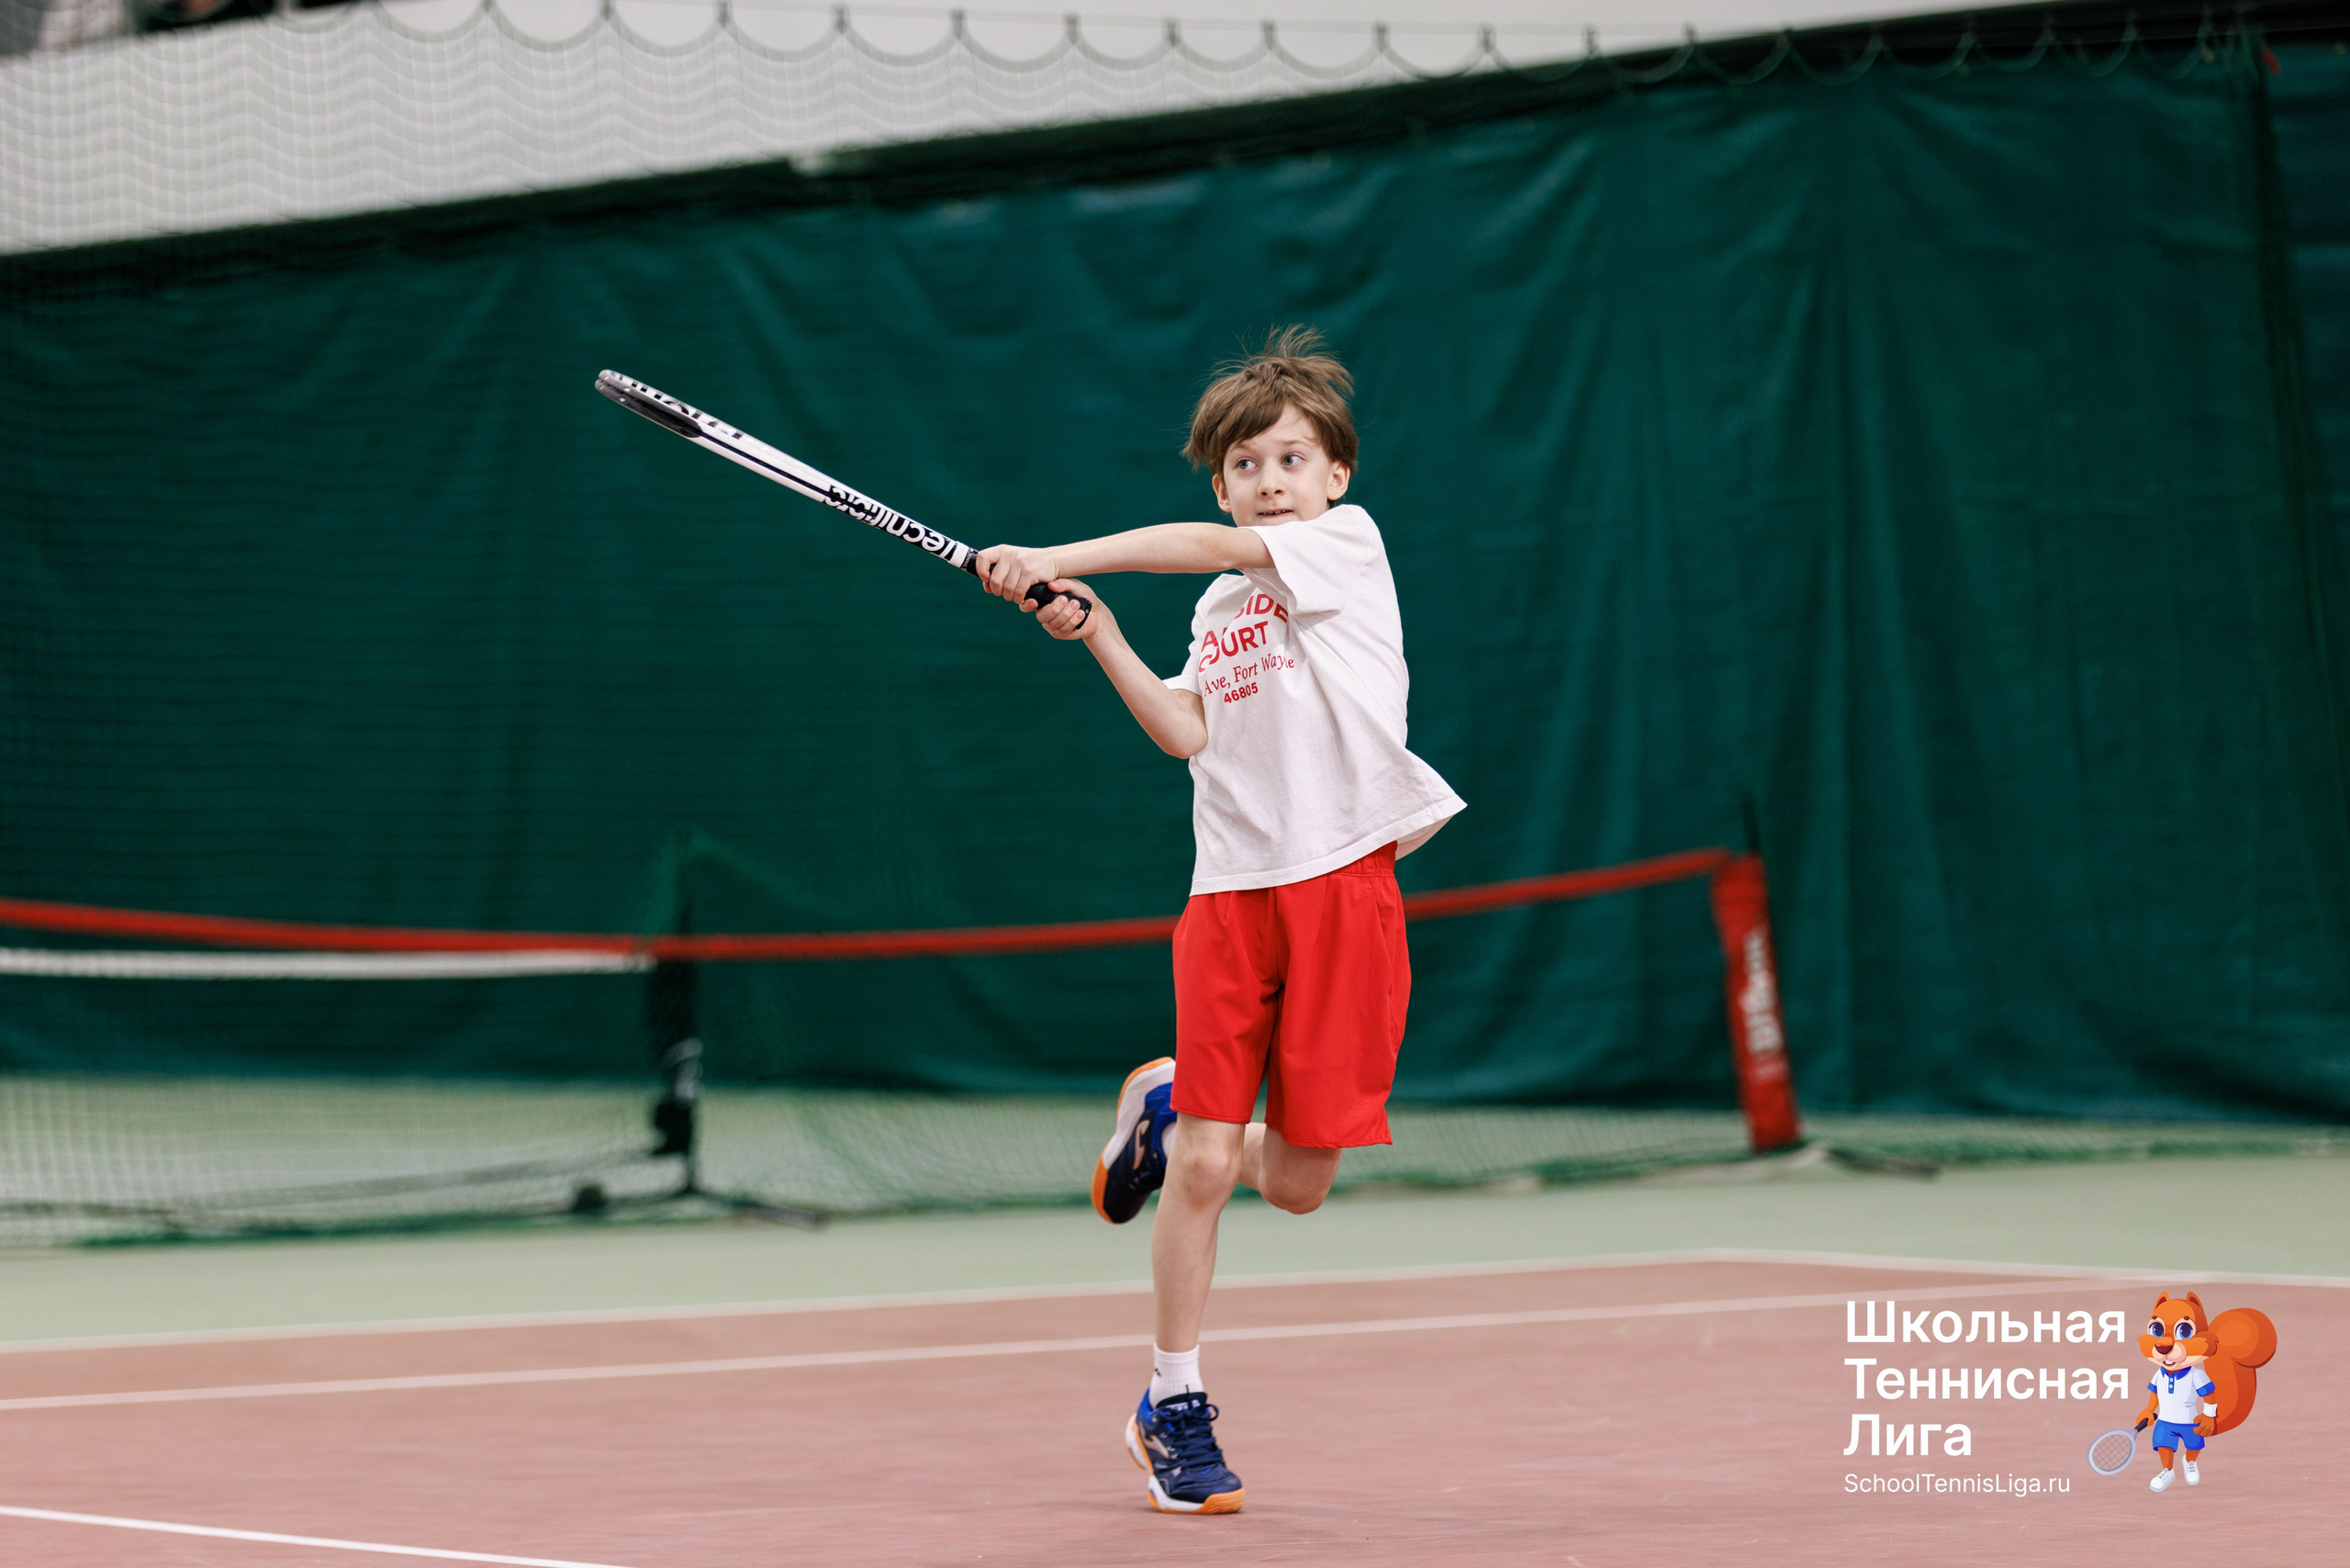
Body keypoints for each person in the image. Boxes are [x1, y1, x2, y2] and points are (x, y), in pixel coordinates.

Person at [974, 327, 1463, 1516]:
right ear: (1222, 481)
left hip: (1345, 888)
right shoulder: (1217, 610)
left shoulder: (1345, 545)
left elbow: (1201, 545)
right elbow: (1186, 730)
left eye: (1291, 460)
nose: (1269, 481)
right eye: (1245, 466)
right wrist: (1098, 630)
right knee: (1203, 1163)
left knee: (1295, 1182)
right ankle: (1173, 1404)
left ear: (1335, 474)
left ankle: (1158, 1103)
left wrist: (1051, 554)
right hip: (1230, 894)